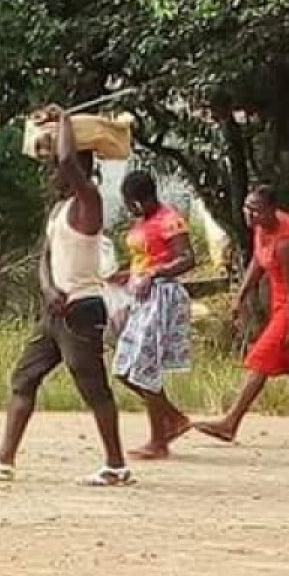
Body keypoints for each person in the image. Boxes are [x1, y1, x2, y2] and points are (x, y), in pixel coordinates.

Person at [0, 107, 131, 486]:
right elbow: (44, 257)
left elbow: (66, 159)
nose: (53, 172)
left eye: (60, 167)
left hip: (82, 308)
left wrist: (64, 119)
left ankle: (116, 463)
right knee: (24, 378)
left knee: (93, 388)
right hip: (58, 309)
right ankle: (4, 457)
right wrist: (47, 287)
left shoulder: (88, 201)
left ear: (77, 167)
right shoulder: (61, 209)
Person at [194, 187, 289, 445]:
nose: (249, 215)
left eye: (256, 210)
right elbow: (258, 262)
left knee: (262, 357)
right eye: (247, 208)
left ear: (271, 210)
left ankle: (231, 421)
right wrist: (241, 295)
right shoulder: (263, 227)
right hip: (283, 302)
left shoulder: (287, 243)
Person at [108, 171, 196, 459]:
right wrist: (127, 275)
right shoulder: (142, 222)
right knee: (124, 368)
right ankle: (173, 418)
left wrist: (155, 273)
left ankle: (159, 440)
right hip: (140, 296)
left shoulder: (170, 220)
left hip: (161, 297)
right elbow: (143, 259)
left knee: (145, 366)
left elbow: (186, 258)